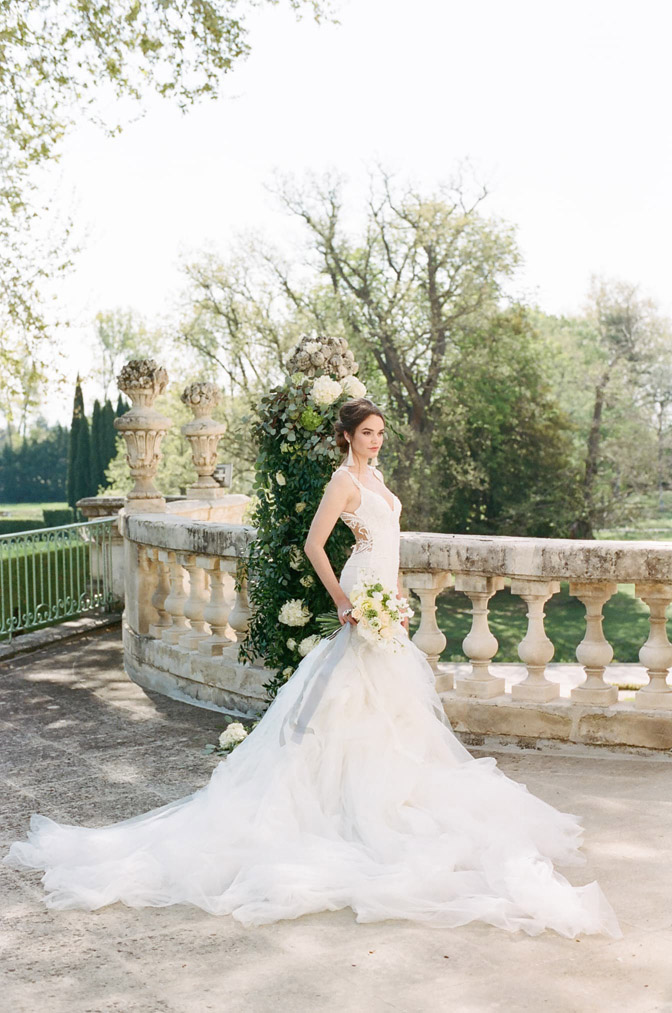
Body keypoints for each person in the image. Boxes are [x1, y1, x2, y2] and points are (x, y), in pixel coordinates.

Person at [3, 396, 622, 939]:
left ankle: (391, 793)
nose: (377, 440)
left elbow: (387, 541)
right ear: (348, 435)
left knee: (388, 703)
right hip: (361, 597)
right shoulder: (342, 483)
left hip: (385, 595)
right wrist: (347, 601)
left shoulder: (375, 477)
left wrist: (392, 598)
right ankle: (346, 803)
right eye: (368, 432)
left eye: (382, 432)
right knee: (349, 696)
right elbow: (313, 543)